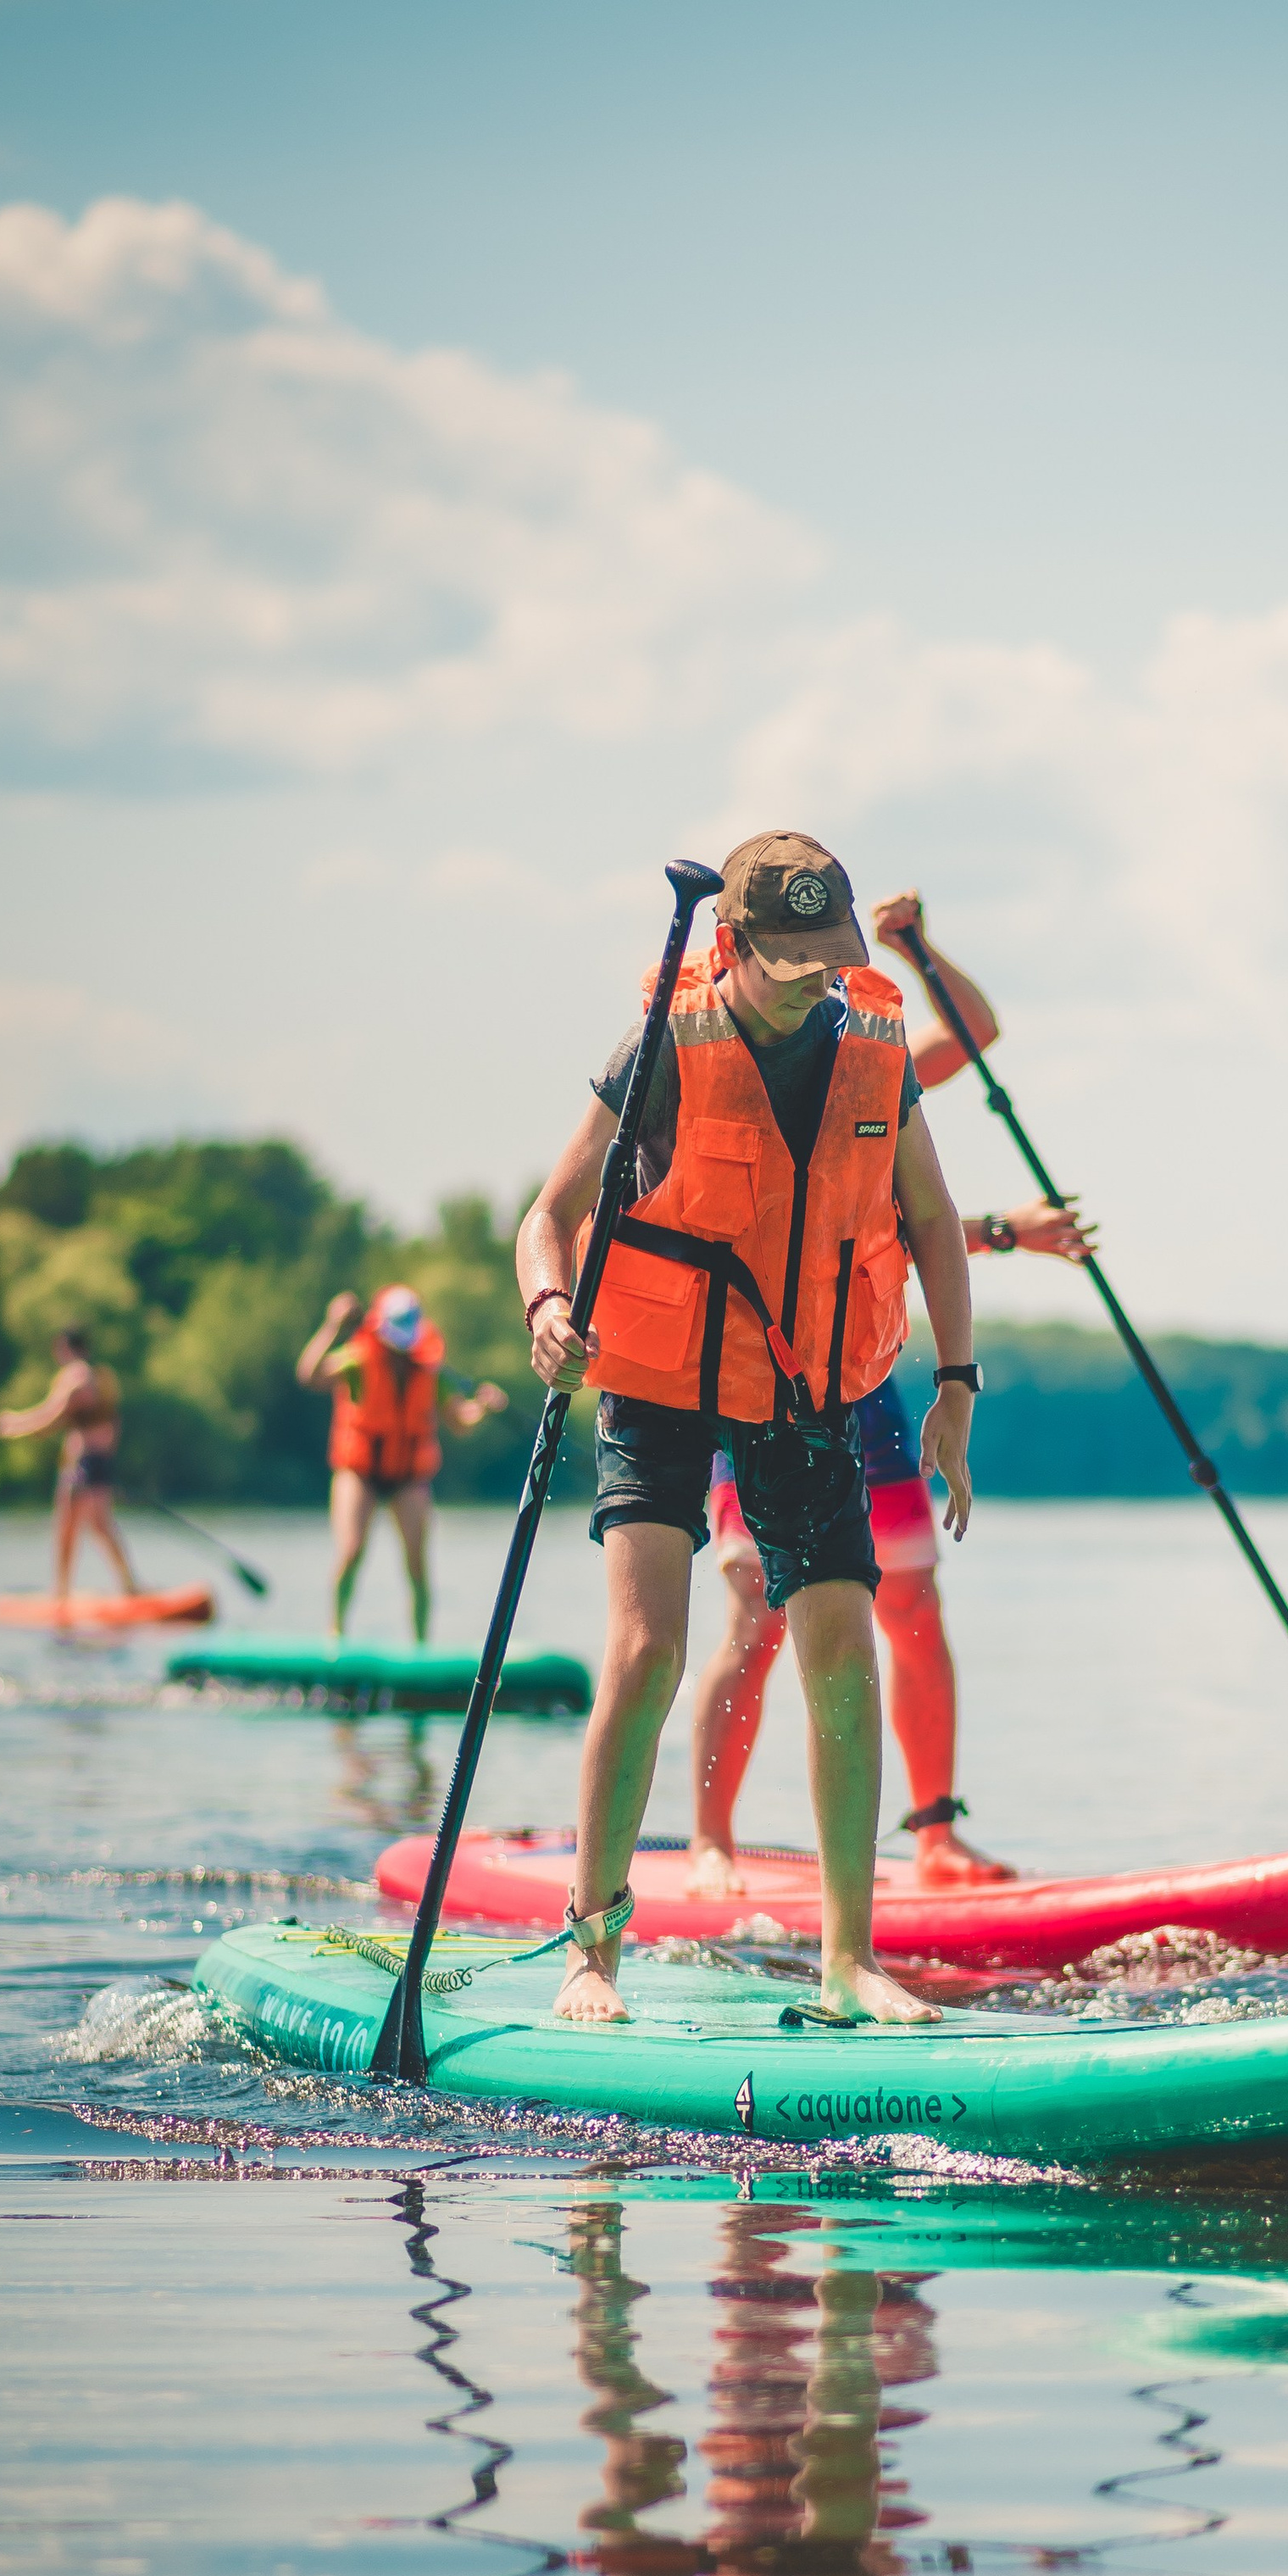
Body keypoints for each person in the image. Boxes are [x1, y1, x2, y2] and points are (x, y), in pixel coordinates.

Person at [514, 830, 979, 2030]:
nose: (814, 979)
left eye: (831, 956)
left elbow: (929, 1219)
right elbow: (549, 1215)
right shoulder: (664, 1048)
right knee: (650, 1651)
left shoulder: (875, 1050)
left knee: (841, 1647)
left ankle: (847, 1963)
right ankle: (593, 1952)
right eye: (788, 960)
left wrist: (958, 1386)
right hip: (660, 1378)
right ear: (730, 943)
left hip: (805, 1388)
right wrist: (549, 1307)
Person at [690, 888, 1093, 1894]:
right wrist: (1005, 1230)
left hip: (862, 1377)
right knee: (758, 1609)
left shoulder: (871, 1062)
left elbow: (977, 1034)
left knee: (912, 1604)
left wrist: (917, 946)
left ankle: (934, 1835)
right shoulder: (723, 1073)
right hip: (752, 1376)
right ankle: (709, 1843)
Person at [296, 1284, 507, 1642]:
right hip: (359, 1472)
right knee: (351, 1552)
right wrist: (332, 1326)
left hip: (408, 1476)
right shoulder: (358, 1358)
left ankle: (421, 1645)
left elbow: (459, 1421)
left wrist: (482, 1408)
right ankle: (335, 1635)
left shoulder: (431, 1371)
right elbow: (310, 1375)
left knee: (417, 1566)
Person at [0, 1327, 140, 1600]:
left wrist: (14, 1425)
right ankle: (129, 1584)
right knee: (101, 1525)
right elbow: (111, 1424)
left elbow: (50, 1417)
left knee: (66, 1527)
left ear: (66, 1348)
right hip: (101, 1461)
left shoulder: (74, 1378)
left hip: (83, 1463)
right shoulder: (103, 1378)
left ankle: (60, 1593)